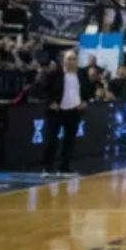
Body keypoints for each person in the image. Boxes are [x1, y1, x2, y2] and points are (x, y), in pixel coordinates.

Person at [40, 49, 86, 178]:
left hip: (74, 111)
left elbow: (87, 90)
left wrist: (84, 101)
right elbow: (43, 90)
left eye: (74, 59)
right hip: (57, 112)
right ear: (63, 61)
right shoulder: (54, 74)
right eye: (69, 59)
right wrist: (50, 102)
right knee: (52, 140)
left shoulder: (81, 74)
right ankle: (47, 168)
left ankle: (64, 168)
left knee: (69, 141)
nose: (72, 62)